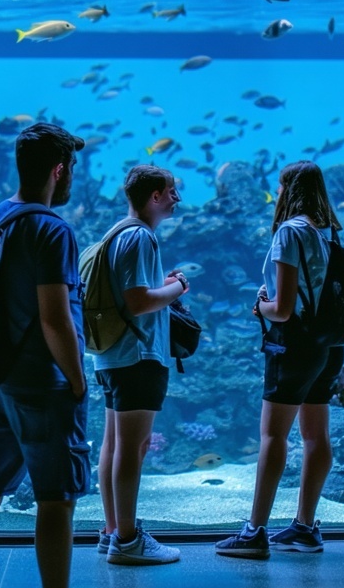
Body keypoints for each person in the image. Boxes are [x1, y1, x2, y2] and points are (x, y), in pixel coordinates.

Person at [0, 122, 90, 588]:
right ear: (58, 170)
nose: (71, 176)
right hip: (41, 383)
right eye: (71, 168)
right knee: (56, 499)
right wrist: (77, 379)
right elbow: (55, 318)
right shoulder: (53, 231)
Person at [216, 160, 344, 560]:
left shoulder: (290, 232)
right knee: (316, 435)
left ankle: (255, 532)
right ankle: (305, 527)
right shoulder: (329, 232)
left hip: (293, 347)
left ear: (289, 189)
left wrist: (261, 305)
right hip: (327, 346)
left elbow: (283, 308)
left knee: (274, 435)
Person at [93, 164, 188, 566]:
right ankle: (129, 541)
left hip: (113, 355)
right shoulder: (141, 238)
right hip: (138, 356)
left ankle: (112, 531)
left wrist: (160, 283)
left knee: (114, 445)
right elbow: (138, 302)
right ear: (153, 196)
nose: (176, 199)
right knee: (133, 447)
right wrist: (178, 286)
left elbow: (130, 291)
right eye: (170, 191)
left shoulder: (117, 234)